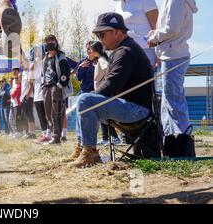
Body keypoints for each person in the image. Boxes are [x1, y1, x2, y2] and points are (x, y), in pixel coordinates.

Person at [70, 13, 154, 168]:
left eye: (102, 34)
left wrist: (89, 99)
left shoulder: (125, 52)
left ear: (117, 31)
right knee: (84, 98)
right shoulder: (124, 49)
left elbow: (110, 86)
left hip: (137, 110)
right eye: (98, 35)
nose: (100, 39)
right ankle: (83, 148)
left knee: (84, 100)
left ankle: (90, 153)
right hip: (131, 107)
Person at [147, 0, 197, 157]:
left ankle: (183, 145)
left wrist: (154, 37)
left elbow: (171, 28)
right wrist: (157, 34)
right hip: (171, 53)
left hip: (174, 55)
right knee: (169, 100)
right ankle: (172, 142)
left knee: (174, 100)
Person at [109, 0, 159, 66]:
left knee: (147, 80)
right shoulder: (117, 6)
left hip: (146, 50)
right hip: (125, 52)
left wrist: (159, 54)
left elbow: (157, 27)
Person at [41, 35, 71, 145]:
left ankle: (56, 137)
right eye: (47, 41)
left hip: (56, 87)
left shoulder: (60, 56)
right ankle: (54, 135)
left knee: (56, 113)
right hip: (46, 87)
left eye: (51, 41)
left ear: (55, 42)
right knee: (48, 113)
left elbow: (66, 72)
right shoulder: (45, 57)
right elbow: (43, 73)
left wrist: (59, 85)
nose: (49, 43)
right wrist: (43, 85)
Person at [90, 41, 121, 145]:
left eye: (91, 49)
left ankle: (113, 137)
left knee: (104, 116)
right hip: (101, 90)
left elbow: (108, 68)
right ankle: (106, 138)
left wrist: (105, 82)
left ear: (94, 51)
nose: (90, 51)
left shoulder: (102, 60)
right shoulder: (100, 59)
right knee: (103, 116)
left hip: (103, 91)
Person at [30, 45, 51, 143]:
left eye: (39, 51)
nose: (37, 53)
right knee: (40, 114)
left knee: (48, 114)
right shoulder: (33, 64)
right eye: (35, 52)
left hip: (46, 90)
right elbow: (31, 79)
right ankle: (44, 134)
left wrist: (40, 62)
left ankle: (50, 134)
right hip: (37, 92)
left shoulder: (47, 60)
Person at [19, 64, 36, 139]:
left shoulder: (29, 72)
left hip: (28, 97)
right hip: (23, 97)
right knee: (27, 116)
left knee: (29, 115)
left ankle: (32, 133)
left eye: (23, 63)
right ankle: (29, 133)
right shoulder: (23, 73)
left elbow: (31, 85)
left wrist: (27, 96)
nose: (22, 65)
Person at [9, 68, 21, 138]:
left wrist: (13, 94)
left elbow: (18, 89)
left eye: (16, 71)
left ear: (18, 72)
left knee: (17, 118)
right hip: (12, 102)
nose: (14, 72)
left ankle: (18, 132)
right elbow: (12, 90)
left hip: (18, 102)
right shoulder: (13, 80)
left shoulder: (19, 79)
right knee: (11, 118)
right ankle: (14, 132)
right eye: (13, 71)